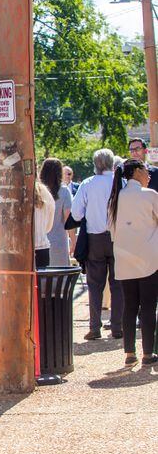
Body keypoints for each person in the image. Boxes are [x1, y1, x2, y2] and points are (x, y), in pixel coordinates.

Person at [107, 159, 158, 366]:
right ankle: (148, 353)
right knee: (148, 306)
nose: (149, 174)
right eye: (146, 170)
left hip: (124, 259)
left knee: (129, 306)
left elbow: (111, 231)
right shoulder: (150, 195)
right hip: (149, 258)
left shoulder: (115, 199)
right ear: (137, 171)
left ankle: (129, 352)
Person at [72, 149, 124, 340]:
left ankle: (94, 327)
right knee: (118, 284)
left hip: (94, 238)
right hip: (118, 237)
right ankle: (117, 326)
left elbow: (76, 214)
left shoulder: (87, 184)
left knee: (94, 284)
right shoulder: (120, 182)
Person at [40, 158, 76, 266]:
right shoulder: (64, 191)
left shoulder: (37, 191)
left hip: (39, 241)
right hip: (59, 241)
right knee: (60, 279)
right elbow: (68, 219)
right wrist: (73, 241)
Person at [34, 181, 55, 268]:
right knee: (41, 281)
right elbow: (49, 227)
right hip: (42, 246)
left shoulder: (16, 192)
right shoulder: (46, 193)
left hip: (21, 249)